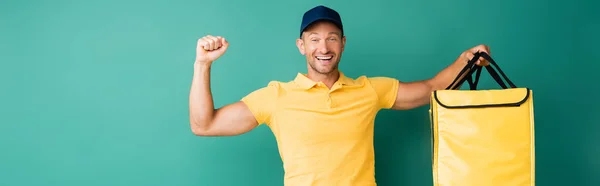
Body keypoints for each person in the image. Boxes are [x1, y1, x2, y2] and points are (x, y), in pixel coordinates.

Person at [188, 5, 490, 186]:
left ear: (343, 44)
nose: (324, 47)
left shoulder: (369, 90)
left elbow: (432, 89)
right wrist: (203, 65)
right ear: (301, 45)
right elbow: (205, 125)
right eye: (315, 39)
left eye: (332, 38)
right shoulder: (276, 97)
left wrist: (465, 60)